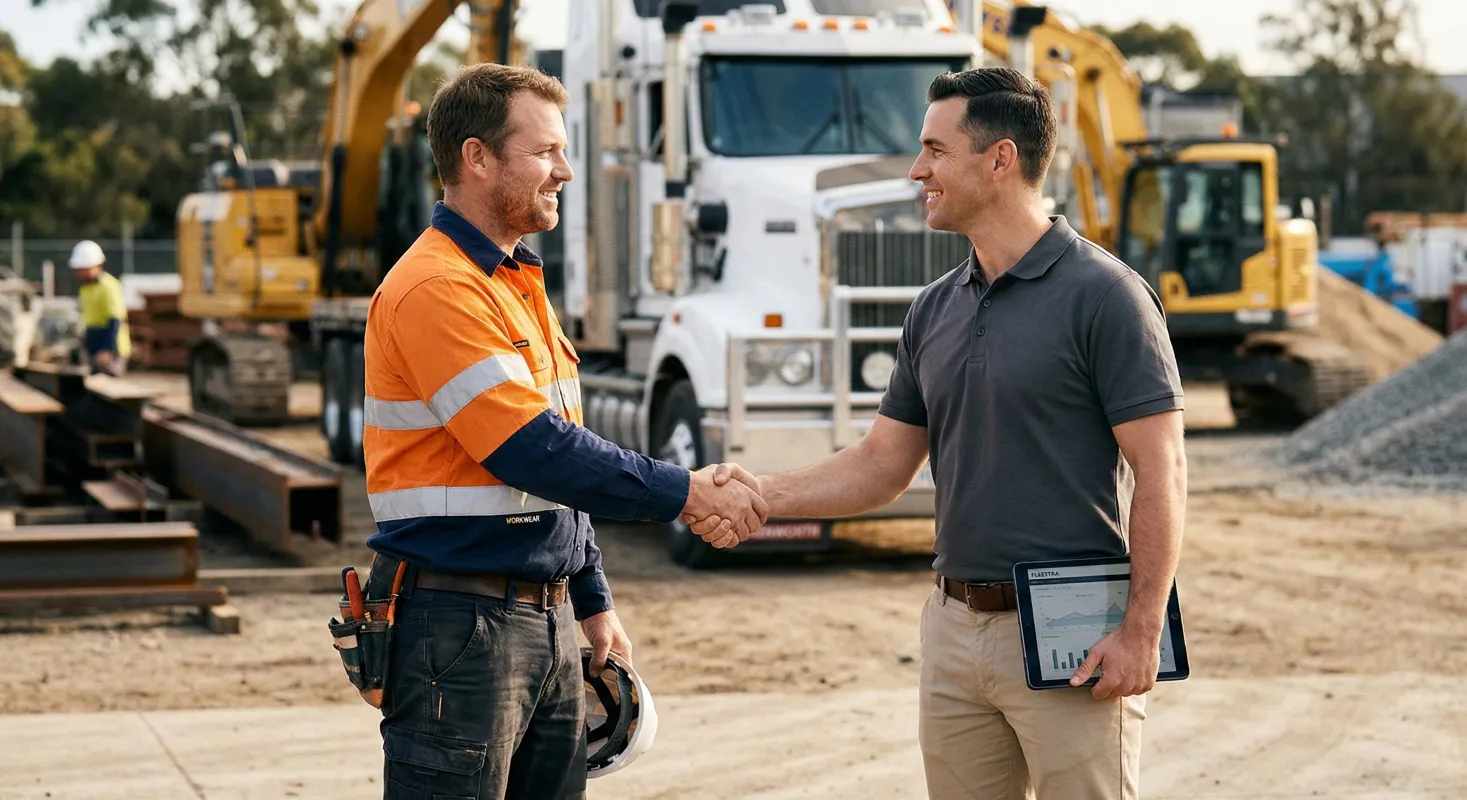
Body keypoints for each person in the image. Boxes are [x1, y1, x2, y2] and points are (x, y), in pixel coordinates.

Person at [689, 67, 1188, 799]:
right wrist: (759, 492)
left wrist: (1141, 626)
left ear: (999, 160)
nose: (916, 170)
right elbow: (881, 464)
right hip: (953, 629)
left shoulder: (1106, 296)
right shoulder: (932, 308)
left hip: (1073, 631)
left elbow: (1162, 470)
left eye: (934, 150)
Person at [360, 62, 765, 800]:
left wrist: (591, 596)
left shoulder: (514, 281)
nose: (566, 170)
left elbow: (554, 465)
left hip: (533, 624)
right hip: (458, 630)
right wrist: (683, 492)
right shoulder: (436, 288)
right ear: (477, 157)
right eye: (545, 151)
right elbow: (529, 449)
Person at [70, 240, 130, 376]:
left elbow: (115, 319)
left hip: (112, 347)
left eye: (84, 268)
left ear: (97, 265)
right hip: (94, 345)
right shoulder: (85, 289)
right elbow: (89, 320)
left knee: (110, 389)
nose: (81, 273)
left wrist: (108, 349)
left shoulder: (109, 286)